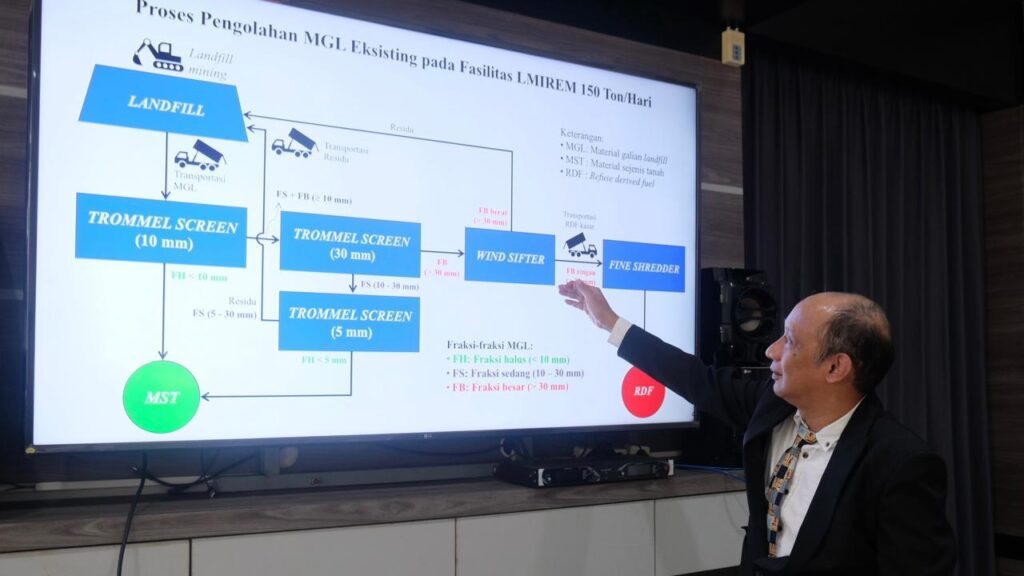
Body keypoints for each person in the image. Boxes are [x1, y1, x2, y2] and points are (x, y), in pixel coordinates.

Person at [558, 279, 955, 575]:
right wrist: (610, 322)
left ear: (836, 367)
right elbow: (696, 379)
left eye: (790, 341)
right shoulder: (773, 406)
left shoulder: (899, 463)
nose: (771, 350)